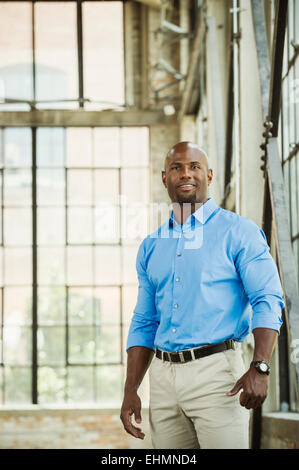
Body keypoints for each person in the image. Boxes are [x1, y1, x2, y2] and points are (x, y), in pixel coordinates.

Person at [120, 141, 285, 449]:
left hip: (217, 376)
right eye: (176, 168)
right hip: (163, 379)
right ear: (164, 178)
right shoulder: (152, 246)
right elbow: (144, 320)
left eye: (194, 167)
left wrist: (260, 366)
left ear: (209, 175)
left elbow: (268, 298)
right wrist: (132, 389)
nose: (186, 174)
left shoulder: (239, 232)